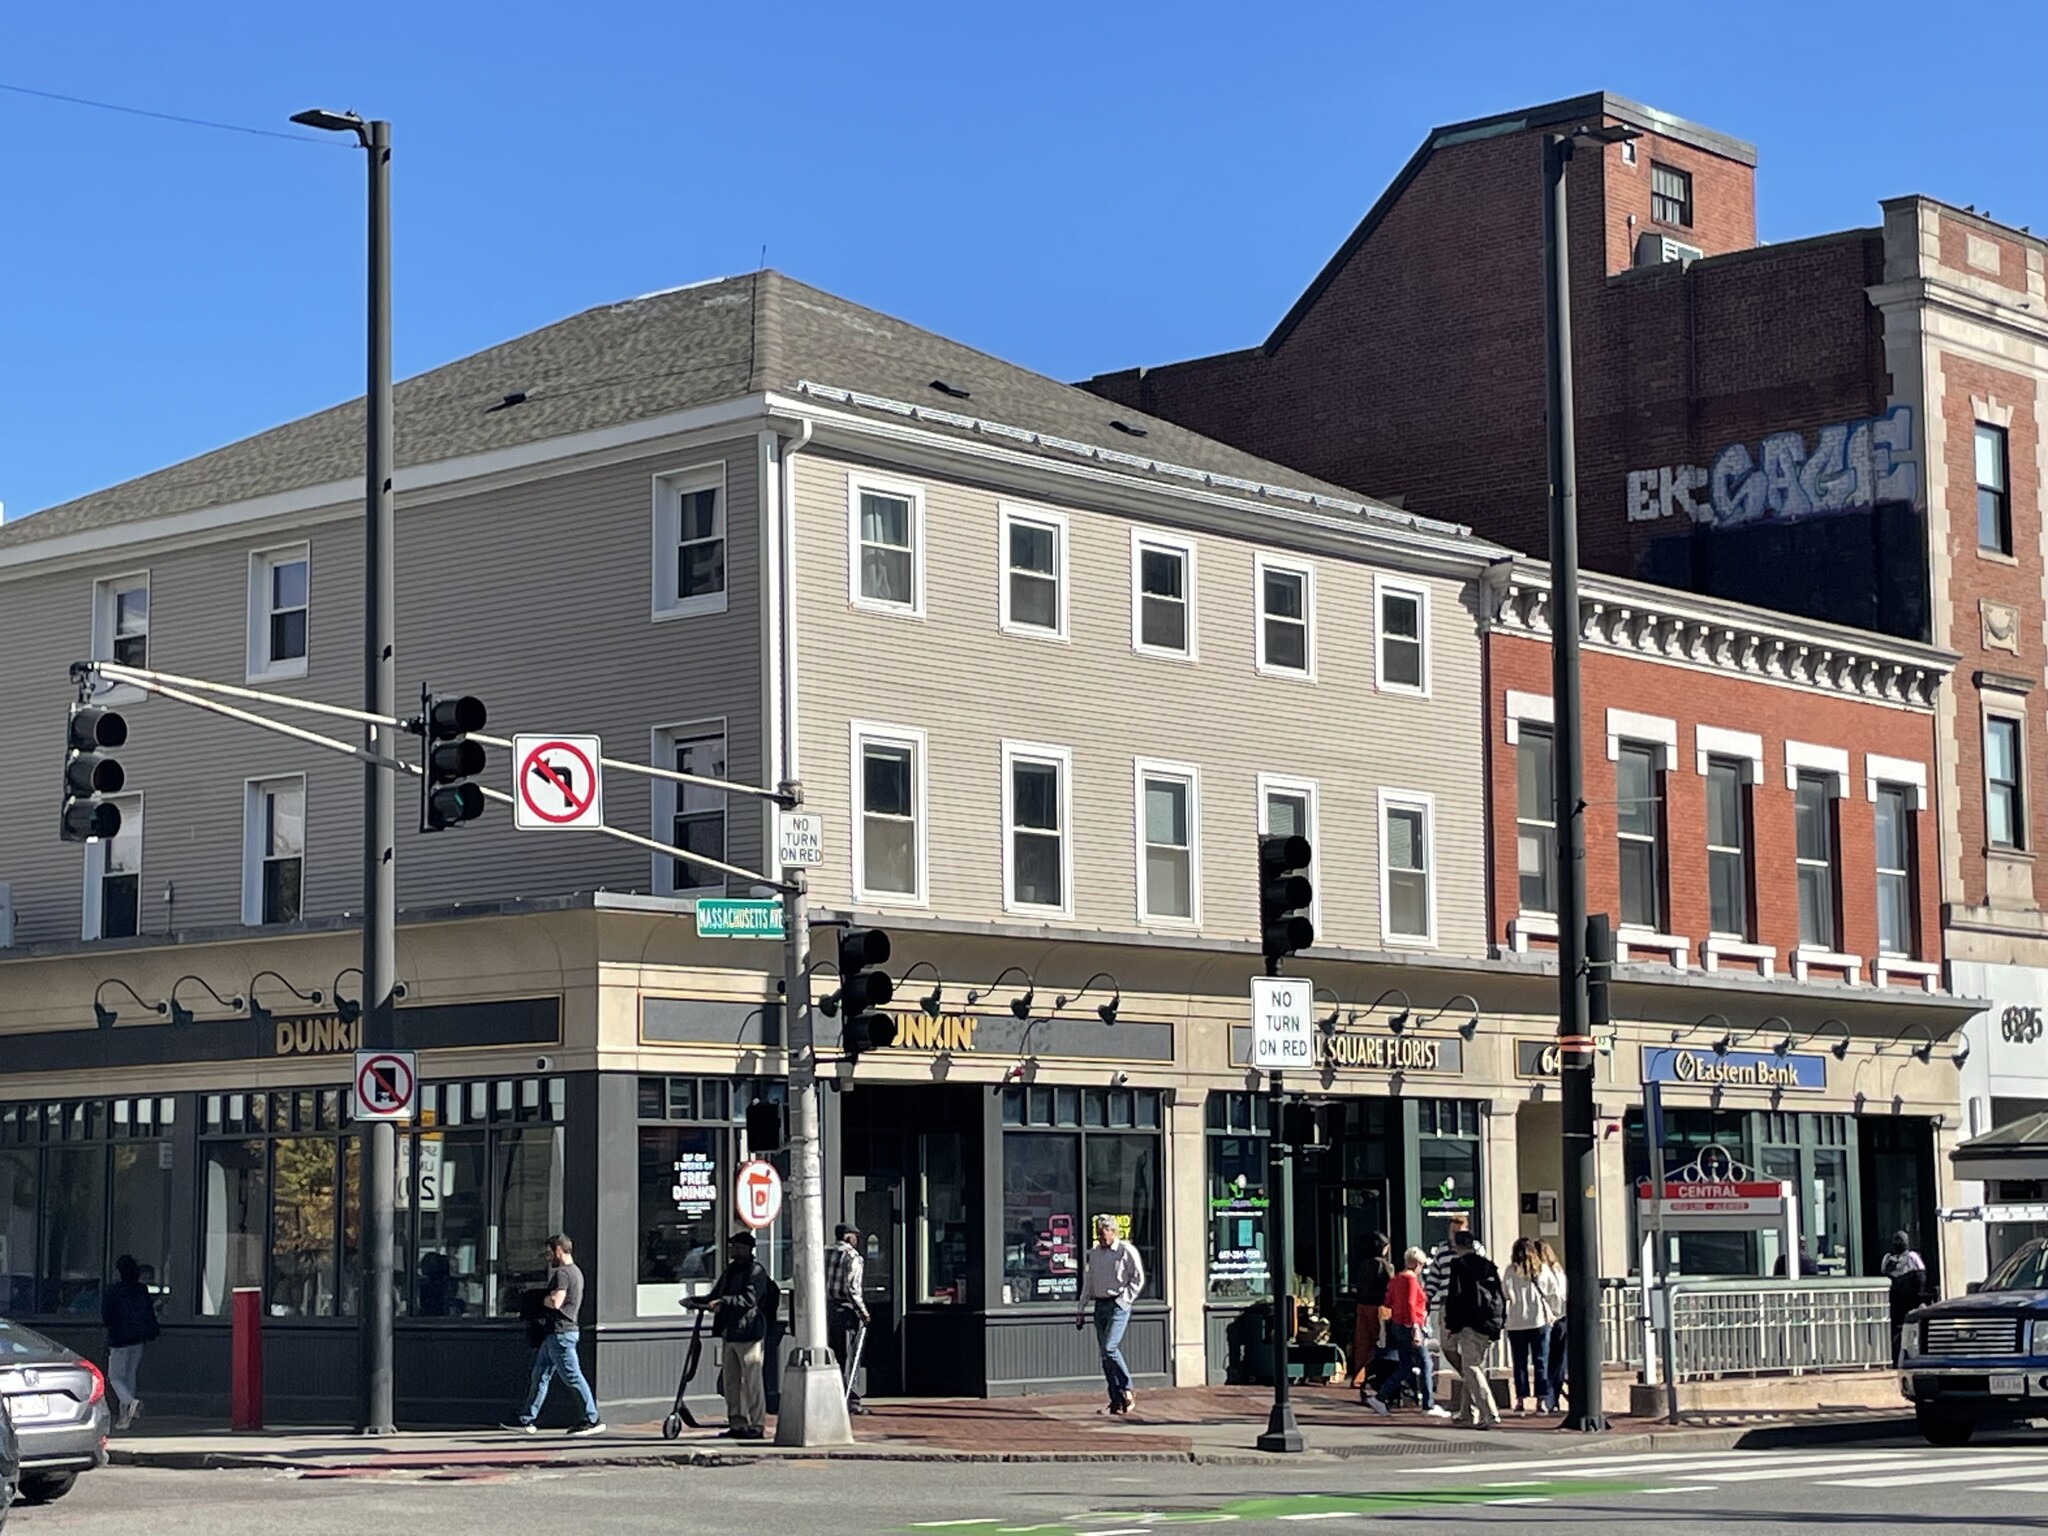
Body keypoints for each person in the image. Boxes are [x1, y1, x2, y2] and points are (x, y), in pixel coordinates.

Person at [501, 1234, 605, 1435]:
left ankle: (592, 1418)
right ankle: (526, 1419)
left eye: (549, 1253)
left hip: (560, 1333)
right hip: (557, 1335)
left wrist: (541, 1299)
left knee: (572, 1377)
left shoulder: (563, 1274)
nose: (548, 1258)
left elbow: (556, 1301)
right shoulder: (577, 1272)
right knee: (540, 1375)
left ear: (559, 1249)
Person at [692, 1231, 780, 1439]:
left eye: (738, 1247)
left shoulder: (756, 1271)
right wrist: (698, 1301)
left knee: (752, 1382)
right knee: (731, 1382)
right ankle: (737, 1423)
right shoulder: (730, 1271)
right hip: (730, 1332)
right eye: (733, 1246)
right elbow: (716, 1294)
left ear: (748, 1249)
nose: (734, 1250)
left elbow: (749, 1299)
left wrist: (723, 1302)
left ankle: (757, 1425)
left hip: (749, 1332)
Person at [1075, 1215, 1145, 1415]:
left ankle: (1127, 1387)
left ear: (1113, 1232)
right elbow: (1089, 1281)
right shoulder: (1095, 1253)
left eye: (1103, 1234)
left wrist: (1124, 1300)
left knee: (1110, 1347)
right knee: (1105, 1356)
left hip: (1117, 1304)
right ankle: (1115, 1399)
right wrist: (1081, 1308)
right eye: (1098, 1234)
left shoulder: (1125, 1251)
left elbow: (1137, 1278)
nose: (1100, 1238)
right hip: (1100, 1305)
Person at [1442, 1229, 1505, 1428]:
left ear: (1457, 1246)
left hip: (1469, 1323)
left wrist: (1451, 1323)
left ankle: (1489, 1413)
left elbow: (1455, 1295)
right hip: (1489, 1323)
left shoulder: (1459, 1265)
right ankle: (1466, 1412)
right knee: (1475, 1365)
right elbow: (1500, 1295)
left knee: (1471, 1368)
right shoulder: (1488, 1265)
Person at [1379, 1247, 1451, 1418]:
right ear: (1416, 1264)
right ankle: (1428, 1404)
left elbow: (1388, 1301)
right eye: (1421, 1265)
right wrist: (1416, 1328)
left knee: (1406, 1365)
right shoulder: (1411, 1281)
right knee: (1426, 1363)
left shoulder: (1396, 1279)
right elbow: (1411, 1305)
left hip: (1398, 1324)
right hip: (1411, 1326)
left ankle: (1380, 1396)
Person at [1503, 1238, 1564, 1415]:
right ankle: (1541, 1401)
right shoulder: (1542, 1269)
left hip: (1516, 1322)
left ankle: (1520, 1401)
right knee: (1540, 1361)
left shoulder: (1510, 1271)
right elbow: (1554, 1293)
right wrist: (1553, 1312)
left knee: (1519, 1363)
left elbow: (1506, 1293)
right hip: (1538, 1321)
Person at [101, 1254, 158, 1430]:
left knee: (115, 1377)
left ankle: (130, 1403)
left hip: (119, 1338)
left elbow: (106, 1316)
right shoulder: (141, 1290)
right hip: (138, 1338)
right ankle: (125, 1417)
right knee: (129, 1376)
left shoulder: (114, 1290)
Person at [826, 1223, 871, 1414]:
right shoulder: (852, 1257)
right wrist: (863, 1312)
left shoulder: (825, 1253)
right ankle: (852, 1399)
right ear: (847, 1237)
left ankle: (836, 1393)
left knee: (836, 1354)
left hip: (829, 1308)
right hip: (846, 1309)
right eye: (854, 1236)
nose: (856, 1240)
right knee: (851, 1356)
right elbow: (853, 1288)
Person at [1351, 1232, 1396, 1409]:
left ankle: (1359, 1379)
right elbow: (1391, 1288)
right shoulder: (1386, 1266)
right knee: (1380, 1345)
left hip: (1362, 1306)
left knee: (1362, 1345)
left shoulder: (1364, 1265)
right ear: (1384, 1248)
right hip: (1379, 1308)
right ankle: (1374, 1379)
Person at [1882, 1230, 1932, 1364]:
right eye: (1896, 1240)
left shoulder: (1913, 1257)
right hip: (1894, 1301)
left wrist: (1917, 1296)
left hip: (1910, 1300)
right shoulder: (1888, 1258)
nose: (1898, 1243)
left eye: (1901, 1241)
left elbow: (1921, 1276)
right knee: (1894, 1333)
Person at [1537, 1239, 1569, 1413]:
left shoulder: (1543, 1272)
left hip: (1549, 1319)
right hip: (1561, 1318)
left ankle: (1548, 1399)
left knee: (1547, 1360)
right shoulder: (1558, 1271)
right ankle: (1552, 1399)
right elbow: (1562, 1294)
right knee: (1557, 1362)